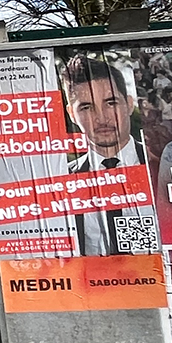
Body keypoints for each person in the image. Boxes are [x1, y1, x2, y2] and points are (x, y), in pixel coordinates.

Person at [60, 54, 159, 257]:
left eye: (111, 103)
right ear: (72, 114)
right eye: (86, 107)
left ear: (129, 104)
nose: (101, 118)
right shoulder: (64, 181)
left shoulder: (160, 166)